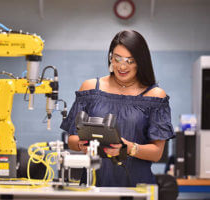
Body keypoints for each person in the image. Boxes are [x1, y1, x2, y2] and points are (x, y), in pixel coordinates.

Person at [60, 30, 175, 187]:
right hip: (93, 186)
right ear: (110, 58)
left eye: (130, 61)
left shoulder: (155, 96)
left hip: (137, 188)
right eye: (117, 58)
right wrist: (83, 145)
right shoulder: (91, 88)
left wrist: (128, 148)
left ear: (141, 62)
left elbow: (156, 153)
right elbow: (72, 139)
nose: (122, 66)